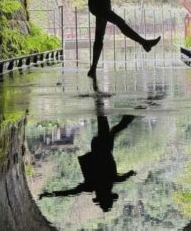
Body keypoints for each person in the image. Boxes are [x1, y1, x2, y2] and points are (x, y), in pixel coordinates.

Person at [39, 77, 137, 211]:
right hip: (99, 146)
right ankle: (124, 111)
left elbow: (70, 192)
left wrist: (130, 174)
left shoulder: (107, 181)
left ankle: (98, 92)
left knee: (105, 120)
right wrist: (50, 194)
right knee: (110, 127)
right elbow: (70, 192)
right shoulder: (93, 185)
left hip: (103, 146)